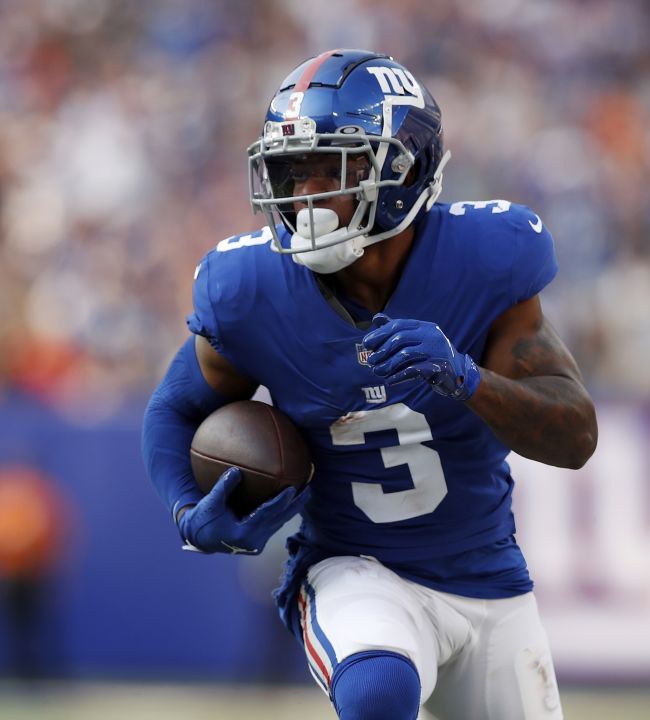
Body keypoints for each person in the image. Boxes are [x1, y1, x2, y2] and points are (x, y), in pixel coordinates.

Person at [142, 49, 597, 720]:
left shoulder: (485, 259)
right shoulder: (250, 288)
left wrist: (467, 380)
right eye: (293, 173)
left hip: (487, 577)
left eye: (332, 168)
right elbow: (175, 408)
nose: (304, 196)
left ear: (403, 168)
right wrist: (187, 510)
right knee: (378, 694)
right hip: (355, 567)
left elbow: (575, 434)